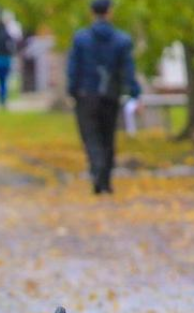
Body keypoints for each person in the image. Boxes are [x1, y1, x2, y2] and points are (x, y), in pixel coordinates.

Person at [66, 0, 140, 195]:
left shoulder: (81, 39)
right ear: (110, 12)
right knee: (108, 137)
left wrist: (73, 90)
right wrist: (134, 91)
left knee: (91, 136)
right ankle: (105, 180)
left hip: (86, 95)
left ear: (92, 13)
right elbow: (127, 69)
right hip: (110, 95)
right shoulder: (121, 40)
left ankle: (97, 169)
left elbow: (73, 68)